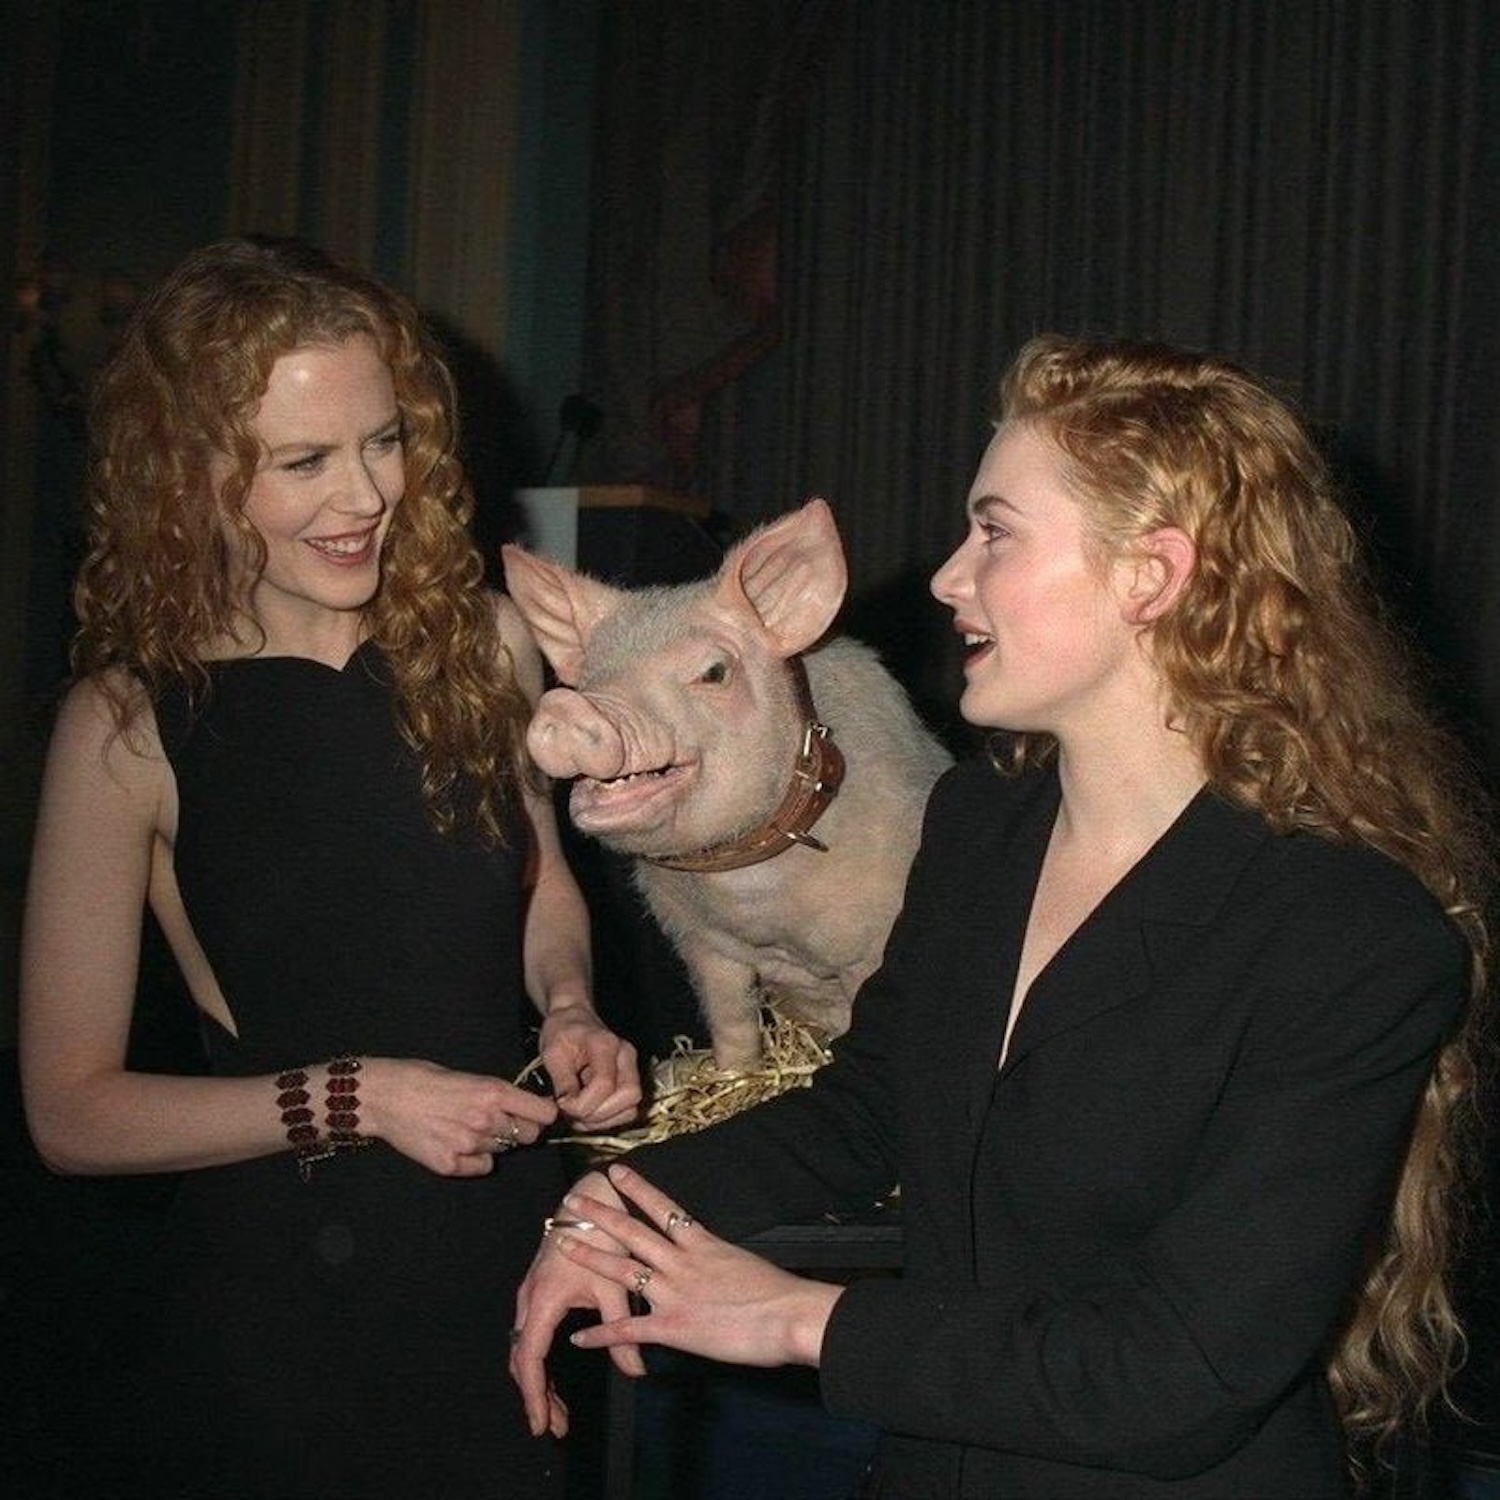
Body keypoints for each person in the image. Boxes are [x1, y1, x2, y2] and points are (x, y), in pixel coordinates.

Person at [509, 334, 1494, 1498]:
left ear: (1150, 575)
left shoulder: (1349, 934)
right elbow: (870, 1107)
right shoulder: (982, 829)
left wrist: (796, 1320)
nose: (947, 578)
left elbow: (1176, 1373)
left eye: (996, 533)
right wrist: (616, 1204)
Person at [18, 234, 641, 1498]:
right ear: (194, 474)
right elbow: (71, 1116)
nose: (365, 496)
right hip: (281, 1310)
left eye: (385, 441)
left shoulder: (488, 643)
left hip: (508, 1266)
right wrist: (356, 1099)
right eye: (304, 461)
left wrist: (571, 1005)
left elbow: (541, 889)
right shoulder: (127, 724)